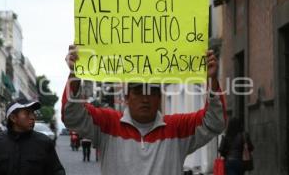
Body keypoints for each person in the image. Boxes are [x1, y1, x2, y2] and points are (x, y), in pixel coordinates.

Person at [62, 45, 227, 175]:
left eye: (152, 92)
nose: (145, 98)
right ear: (127, 97)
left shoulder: (177, 128)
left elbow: (215, 122)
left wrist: (212, 80)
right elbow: (72, 117)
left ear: (160, 98)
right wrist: (74, 74)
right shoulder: (108, 124)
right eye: (138, 92)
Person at [0, 98, 66, 175]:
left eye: (33, 113)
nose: (32, 117)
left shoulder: (44, 142)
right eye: (27, 113)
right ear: (13, 118)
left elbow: (57, 171)